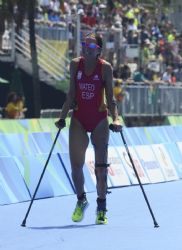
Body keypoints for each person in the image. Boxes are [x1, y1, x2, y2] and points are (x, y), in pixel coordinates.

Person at [55, 33, 121, 225]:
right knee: (76, 166)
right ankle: (81, 200)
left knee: (101, 170)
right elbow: (70, 93)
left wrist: (116, 119)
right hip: (79, 119)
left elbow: (111, 97)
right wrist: (62, 117)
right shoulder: (76, 64)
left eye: (91, 47)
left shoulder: (105, 68)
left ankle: (101, 208)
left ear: (98, 51)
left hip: (99, 121)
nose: (86, 49)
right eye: (85, 45)